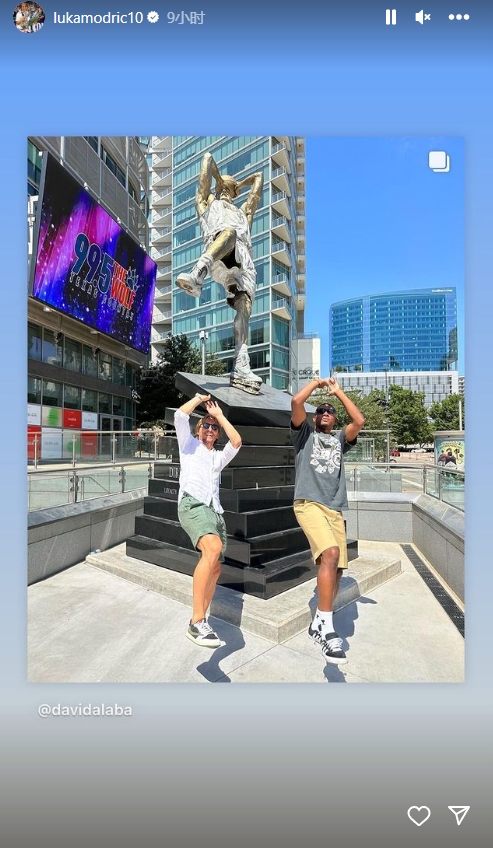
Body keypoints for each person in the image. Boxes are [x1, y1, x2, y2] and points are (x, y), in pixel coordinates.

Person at [291, 376, 365, 664]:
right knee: (331, 553)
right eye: (320, 410)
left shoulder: (339, 440)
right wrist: (316, 383)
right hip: (309, 503)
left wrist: (338, 392)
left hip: (335, 509)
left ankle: (320, 622)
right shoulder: (304, 435)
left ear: (334, 419)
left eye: (329, 411)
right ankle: (326, 626)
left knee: (336, 571)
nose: (324, 413)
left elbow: (358, 420)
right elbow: (296, 402)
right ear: (314, 416)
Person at [176, 152, 264, 394]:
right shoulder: (206, 203)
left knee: (243, 310)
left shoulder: (243, 213)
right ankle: (197, 274)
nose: (228, 188)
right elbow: (206, 159)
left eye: (231, 187)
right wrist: (219, 180)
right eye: (224, 184)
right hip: (220, 252)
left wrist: (238, 185)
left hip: (244, 265)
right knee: (229, 234)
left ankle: (241, 364)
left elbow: (259, 178)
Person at [174, 392, 242, 647]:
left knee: (215, 567)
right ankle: (197, 620)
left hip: (215, 511)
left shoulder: (217, 457)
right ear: (197, 430)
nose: (211, 429)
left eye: (214, 427)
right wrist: (199, 400)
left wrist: (220, 416)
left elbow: (236, 441)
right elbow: (180, 415)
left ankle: (201, 621)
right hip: (192, 504)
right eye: (206, 425)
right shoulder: (188, 446)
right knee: (212, 548)